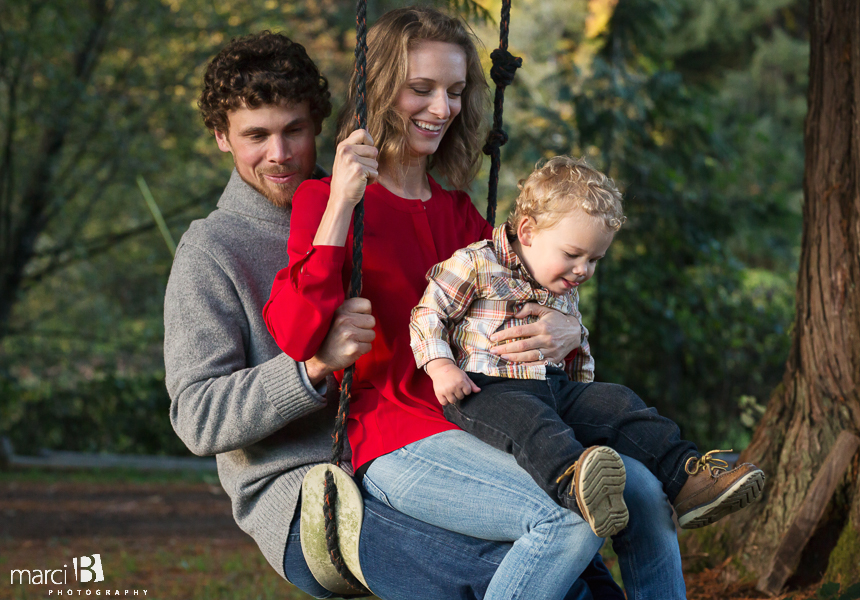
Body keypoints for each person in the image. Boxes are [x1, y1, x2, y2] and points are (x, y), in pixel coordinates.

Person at [164, 30, 627, 600]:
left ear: (323, 126)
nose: (280, 154)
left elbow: (503, 292)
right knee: (514, 572)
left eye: (295, 131)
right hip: (311, 487)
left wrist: (567, 327)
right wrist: (311, 369)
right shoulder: (213, 250)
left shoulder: (381, 203)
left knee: (590, 575)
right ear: (220, 138)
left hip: (434, 440)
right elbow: (197, 416)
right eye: (256, 136)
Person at [263, 8, 691, 600]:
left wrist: (568, 330)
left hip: (489, 418)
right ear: (383, 91)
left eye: (456, 92)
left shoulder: (461, 215)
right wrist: (340, 204)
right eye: (422, 89)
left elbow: (523, 305)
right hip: (396, 436)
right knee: (569, 516)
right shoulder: (326, 201)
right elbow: (294, 334)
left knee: (643, 490)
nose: (442, 109)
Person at [410, 155, 765, 537]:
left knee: (622, 403)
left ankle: (689, 482)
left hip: (555, 387)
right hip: (487, 390)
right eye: (573, 254)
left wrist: (587, 393)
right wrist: (440, 365)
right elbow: (429, 312)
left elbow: (575, 354)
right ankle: (577, 486)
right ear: (527, 232)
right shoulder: (477, 263)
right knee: (534, 424)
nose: (583, 270)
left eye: (595, 259)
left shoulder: (564, 285)